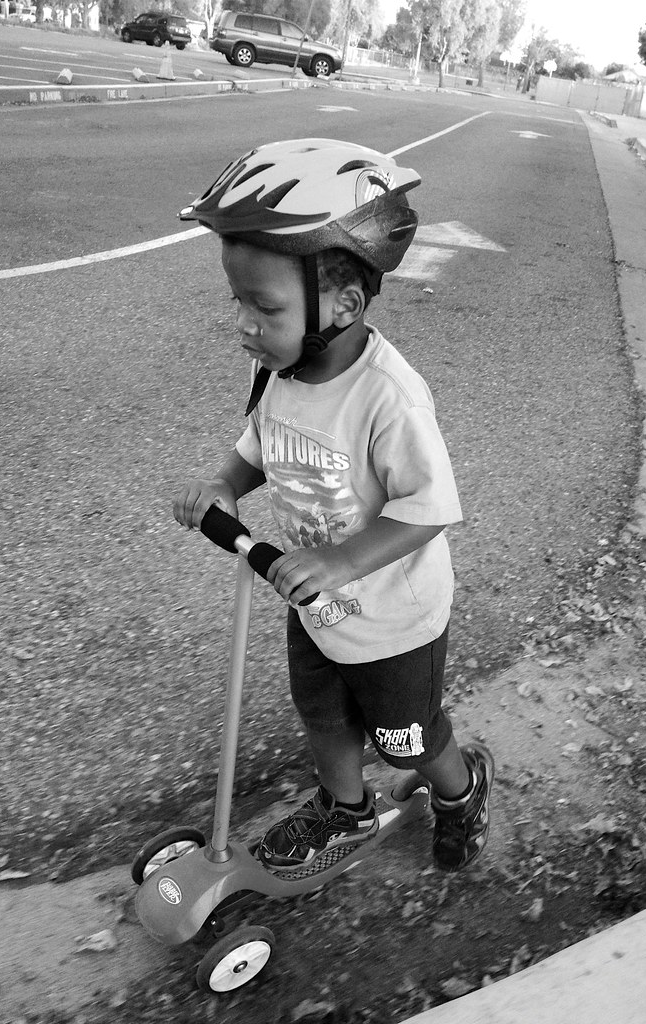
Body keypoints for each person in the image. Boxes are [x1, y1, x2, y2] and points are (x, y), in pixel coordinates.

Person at [173, 138, 493, 873]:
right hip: (315, 597)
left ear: (344, 303)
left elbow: (432, 505)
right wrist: (225, 484)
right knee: (321, 713)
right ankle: (345, 810)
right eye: (239, 301)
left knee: (407, 737)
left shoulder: (389, 396)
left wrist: (339, 560)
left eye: (265, 306)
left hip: (393, 617)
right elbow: (263, 441)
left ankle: (460, 790)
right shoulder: (285, 369)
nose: (246, 325)